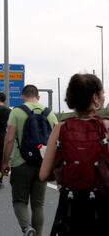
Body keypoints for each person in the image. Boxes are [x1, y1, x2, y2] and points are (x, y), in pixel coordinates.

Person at [39, 74, 109, 235]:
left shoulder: (60, 128)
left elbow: (43, 175)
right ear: (95, 98)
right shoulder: (106, 127)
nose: (104, 97)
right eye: (102, 94)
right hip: (102, 209)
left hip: (69, 211)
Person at [3, 85, 58, 236]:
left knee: (19, 201)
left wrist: (4, 162)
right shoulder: (50, 113)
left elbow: (9, 140)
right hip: (42, 164)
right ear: (38, 97)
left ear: (23, 96)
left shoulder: (17, 111)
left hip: (21, 163)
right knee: (38, 204)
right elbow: (56, 142)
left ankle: (27, 228)